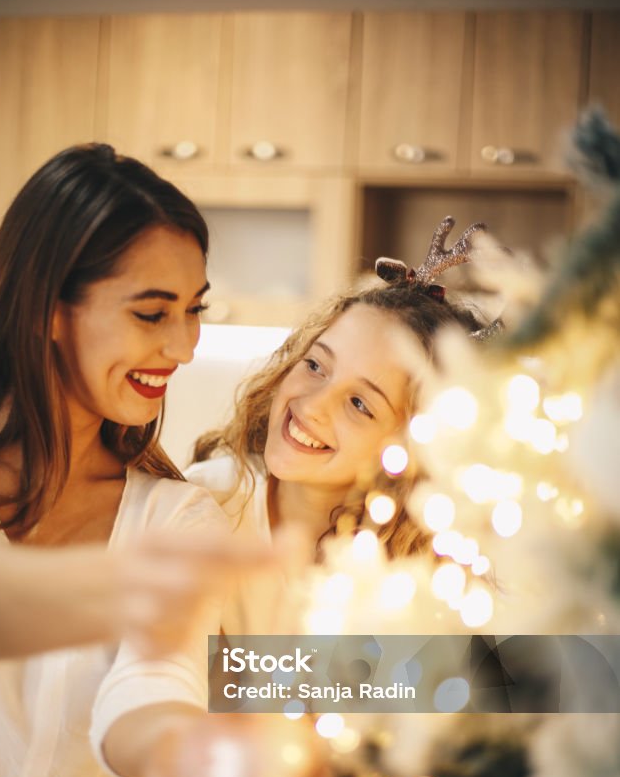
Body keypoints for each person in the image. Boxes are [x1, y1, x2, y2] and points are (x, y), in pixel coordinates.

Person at [0, 143, 312, 777]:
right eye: (151, 312)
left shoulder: (172, 515)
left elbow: (151, 681)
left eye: (192, 311)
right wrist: (121, 589)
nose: (181, 347)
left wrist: (183, 751)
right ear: (49, 309)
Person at [186, 246, 485, 634]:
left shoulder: (437, 576)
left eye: (359, 404)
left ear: (417, 446)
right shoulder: (204, 501)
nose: (312, 407)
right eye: (315, 365)